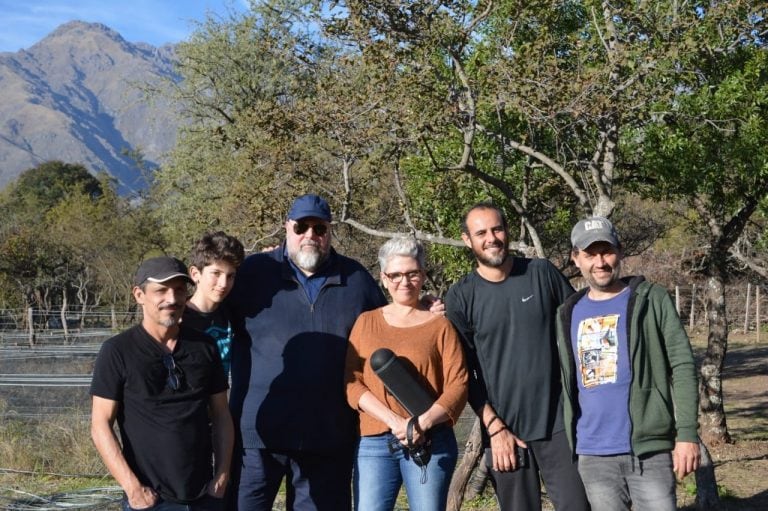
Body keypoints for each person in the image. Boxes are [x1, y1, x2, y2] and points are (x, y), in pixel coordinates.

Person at [226, 194, 387, 511]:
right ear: (286, 228)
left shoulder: (356, 280)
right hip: (257, 436)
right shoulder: (253, 273)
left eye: (319, 228)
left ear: (330, 231)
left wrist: (424, 307)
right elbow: (209, 308)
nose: (310, 236)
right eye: (301, 227)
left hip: (327, 435)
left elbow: (391, 324)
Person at [445, 202, 589, 511]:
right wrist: (494, 428)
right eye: (481, 232)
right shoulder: (460, 296)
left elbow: (582, 328)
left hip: (558, 424)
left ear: (508, 231)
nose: (492, 238)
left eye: (497, 229)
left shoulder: (541, 272)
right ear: (467, 240)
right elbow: (463, 374)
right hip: (504, 432)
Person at [555, 216, 700, 511]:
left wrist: (686, 434)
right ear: (576, 259)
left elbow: (683, 365)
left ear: (620, 252)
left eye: (606, 251)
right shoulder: (567, 313)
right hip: (593, 453)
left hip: (648, 450)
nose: (600, 261)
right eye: (590, 254)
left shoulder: (652, 299)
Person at [90, 256, 233, 511]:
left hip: (204, 495)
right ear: (139, 294)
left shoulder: (204, 347)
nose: (172, 298)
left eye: (179, 290)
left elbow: (221, 414)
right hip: (150, 499)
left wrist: (221, 476)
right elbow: (100, 424)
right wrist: (133, 489)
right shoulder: (118, 351)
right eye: (161, 290)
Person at [345, 236, 468, 511]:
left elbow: (458, 384)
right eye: (396, 274)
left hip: (430, 440)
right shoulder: (366, 323)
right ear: (384, 278)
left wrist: (420, 424)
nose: (404, 281)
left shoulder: (440, 325)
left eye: (412, 273)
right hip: (374, 443)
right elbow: (352, 384)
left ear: (423, 275)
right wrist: (395, 422)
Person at [184, 231, 245, 376]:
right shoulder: (178, 319)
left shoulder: (232, 313)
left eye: (230, 276)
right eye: (216, 273)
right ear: (195, 274)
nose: (223, 284)